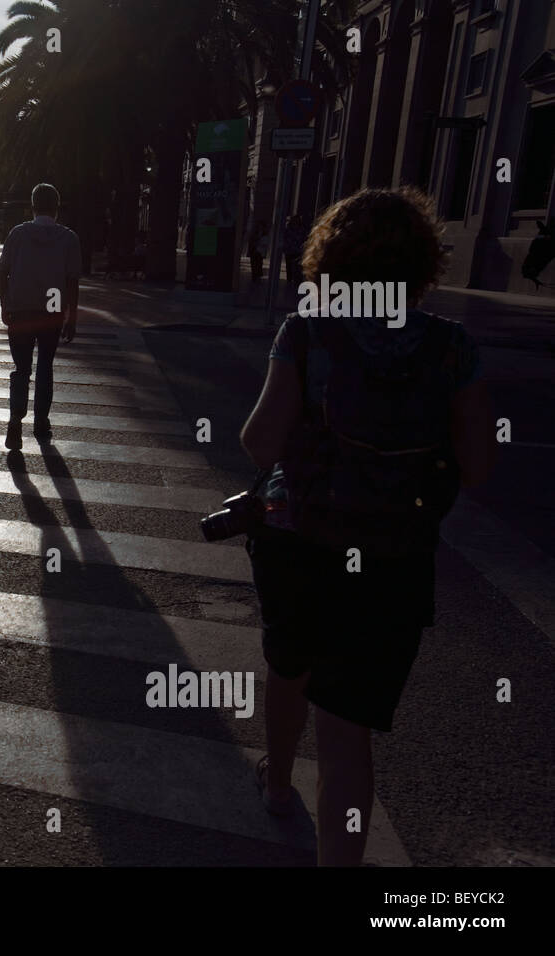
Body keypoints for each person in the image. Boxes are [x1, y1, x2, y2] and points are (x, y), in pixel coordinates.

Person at [239, 187, 494, 866]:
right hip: (392, 557)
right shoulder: (451, 347)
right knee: (349, 734)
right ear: (422, 262)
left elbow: (259, 442)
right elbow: (477, 466)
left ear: (330, 258)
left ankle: (279, 782)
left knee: (288, 661)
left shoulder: (307, 330)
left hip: (299, 542)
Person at [0, 183, 81, 449]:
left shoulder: (18, 234)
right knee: (45, 365)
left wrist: (5, 304)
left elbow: (3, 273)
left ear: (32, 206)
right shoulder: (68, 238)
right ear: (57, 207)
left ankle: (14, 423)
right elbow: (72, 282)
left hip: (20, 309)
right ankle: (41, 421)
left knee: (21, 369)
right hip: (52, 309)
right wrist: (71, 316)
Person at [282, 214, 306, 292]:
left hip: (297, 251)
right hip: (290, 250)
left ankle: (296, 281)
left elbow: (303, 239)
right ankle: (290, 279)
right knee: (289, 266)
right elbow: (285, 238)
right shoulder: (288, 229)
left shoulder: (301, 229)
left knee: (297, 266)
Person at [248, 219, 269, 284]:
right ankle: (254, 276)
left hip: (259, 252)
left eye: (261, 226)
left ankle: (257, 276)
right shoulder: (255, 233)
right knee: (254, 264)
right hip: (254, 251)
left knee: (258, 264)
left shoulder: (264, 234)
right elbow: (252, 241)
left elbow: (264, 243)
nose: (260, 228)